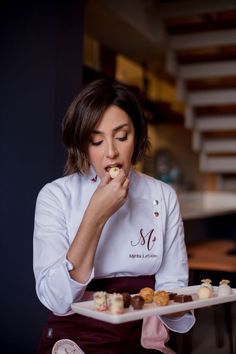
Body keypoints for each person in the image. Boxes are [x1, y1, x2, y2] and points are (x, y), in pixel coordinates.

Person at [33, 78, 195, 354]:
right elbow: (57, 300)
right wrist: (95, 216)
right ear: (82, 145)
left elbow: (171, 286)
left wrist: (179, 305)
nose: (111, 152)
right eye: (96, 140)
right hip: (76, 336)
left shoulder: (163, 195)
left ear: (138, 136)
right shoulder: (55, 196)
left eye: (121, 137)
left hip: (142, 336)